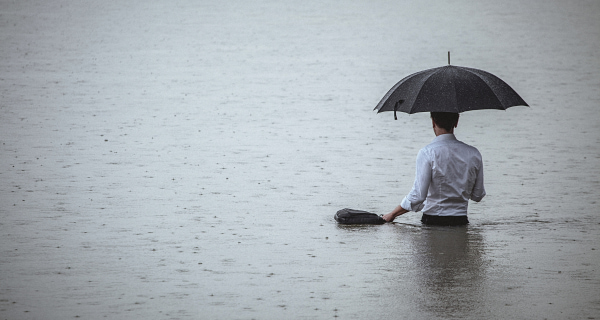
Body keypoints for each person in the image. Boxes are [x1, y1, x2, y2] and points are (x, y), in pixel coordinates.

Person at [382, 112, 485, 225]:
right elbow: (477, 196)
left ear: (433, 122)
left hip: (433, 220)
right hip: (461, 221)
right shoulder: (474, 153)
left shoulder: (427, 153)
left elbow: (418, 196)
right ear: (456, 122)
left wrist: (392, 214)